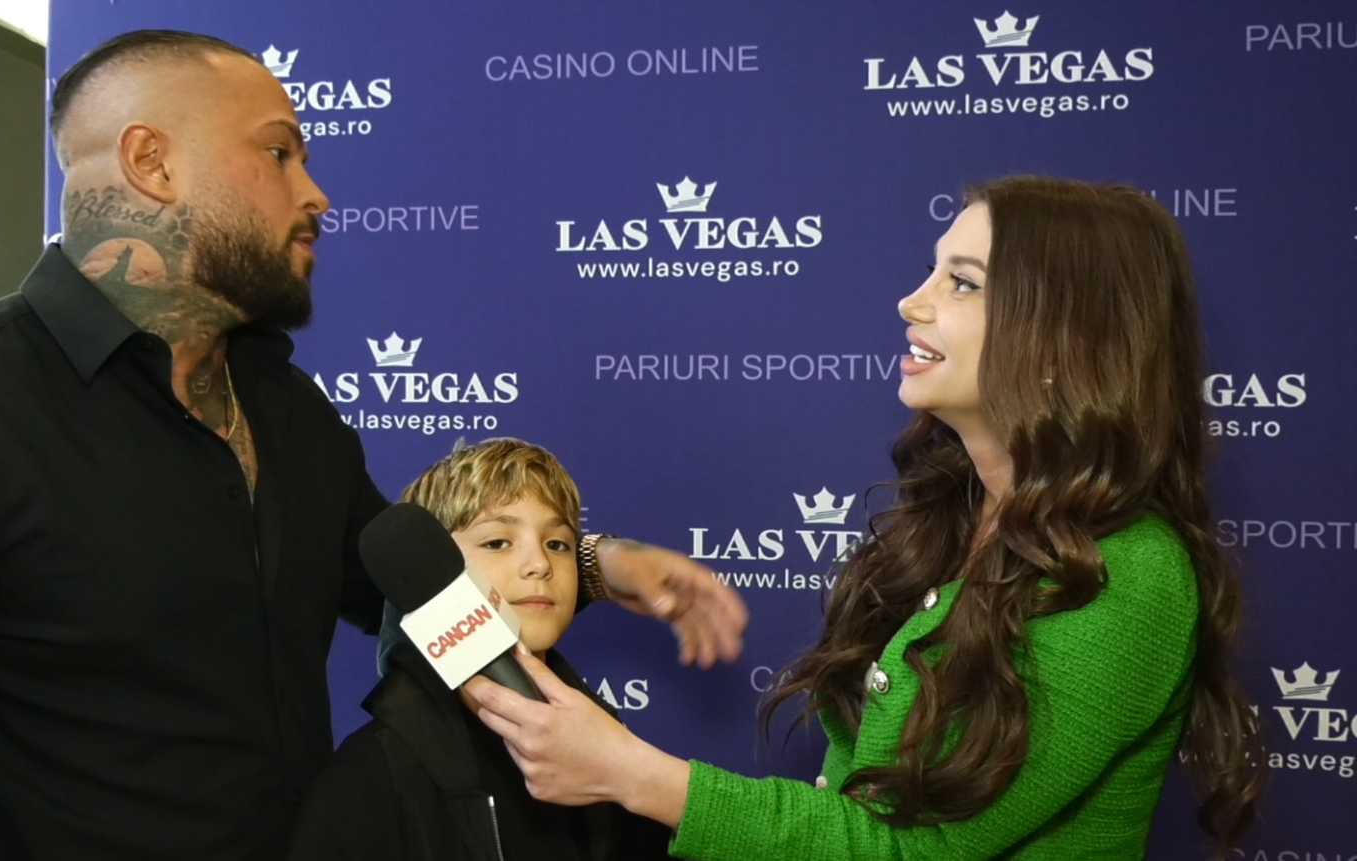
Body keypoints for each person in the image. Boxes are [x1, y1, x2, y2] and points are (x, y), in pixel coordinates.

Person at [0, 30, 745, 861]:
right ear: (152, 163)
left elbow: (406, 588)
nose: (316, 193)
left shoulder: (284, 408)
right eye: (279, 152)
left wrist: (597, 564)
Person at [466, 176, 1269, 860]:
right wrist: (599, 564)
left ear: (1065, 339)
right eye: (933, 271)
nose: (911, 301)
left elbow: (910, 849)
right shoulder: (962, 518)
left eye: (962, 283)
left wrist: (633, 774)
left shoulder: (1127, 572)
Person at [291, 438, 674, 860]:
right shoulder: (369, 778)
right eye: (497, 543)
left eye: (557, 544)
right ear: (429, 569)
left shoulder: (611, 745)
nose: (540, 564)